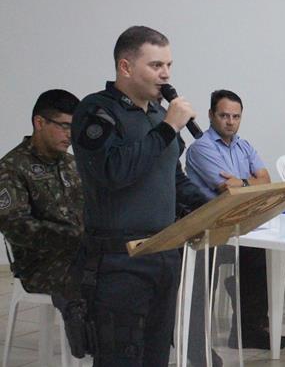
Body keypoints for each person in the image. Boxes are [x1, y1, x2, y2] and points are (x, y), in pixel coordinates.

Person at [71, 26, 209, 367]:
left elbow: (173, 180)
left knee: (155, 356)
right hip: (119, 261)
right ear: (126, 67)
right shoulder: (97, 111)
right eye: (156, 65)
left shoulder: (159, 116)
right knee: (121, 357)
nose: (166, 75)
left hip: (163, 253)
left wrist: (215, 204)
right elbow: (112, 172)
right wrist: (167, 129)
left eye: (169, 65)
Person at [185, 89, 285, 358]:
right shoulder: (201, 148)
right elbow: (225, 188)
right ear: (210, 115)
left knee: (277, 255)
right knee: (223, 260)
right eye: (223, 115)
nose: (230, 121)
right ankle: (195, 344)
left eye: (235, 116)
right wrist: (246, 183)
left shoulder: (244, 146)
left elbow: (265, 181)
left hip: (243, 224)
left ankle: (248, 329)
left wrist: (241, 182)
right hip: (208, 228)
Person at [0, 90, 83, 303]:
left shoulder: (72, 164)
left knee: (129, 271)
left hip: (81, 255)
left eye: (74, 127)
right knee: (97, 280)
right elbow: (16, 227)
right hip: (39, 265)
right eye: (64, 126)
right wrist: (76, 237)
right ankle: (88, 337)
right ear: (39, 122)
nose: (70, 135)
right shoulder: (11, 168)